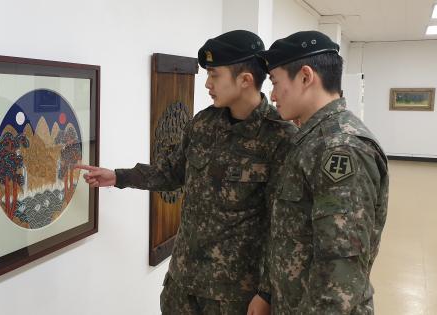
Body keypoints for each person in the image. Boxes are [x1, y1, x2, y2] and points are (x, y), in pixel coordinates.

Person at [76, 30, 297, 315]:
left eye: (214, 75)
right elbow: (171, 172)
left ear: (245, 80)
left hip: (236, 295)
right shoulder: (203, 124)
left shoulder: (281, 137)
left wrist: (266, 293)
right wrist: (119, 176)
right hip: (184, 283)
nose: (207, 84)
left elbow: (285, 226)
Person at [260, 30, 389, 314]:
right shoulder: (310, 139)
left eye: (275, 82)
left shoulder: (340, 147)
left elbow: (341, 268)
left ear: (305, 77)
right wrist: (268, 293)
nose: (272, 94)